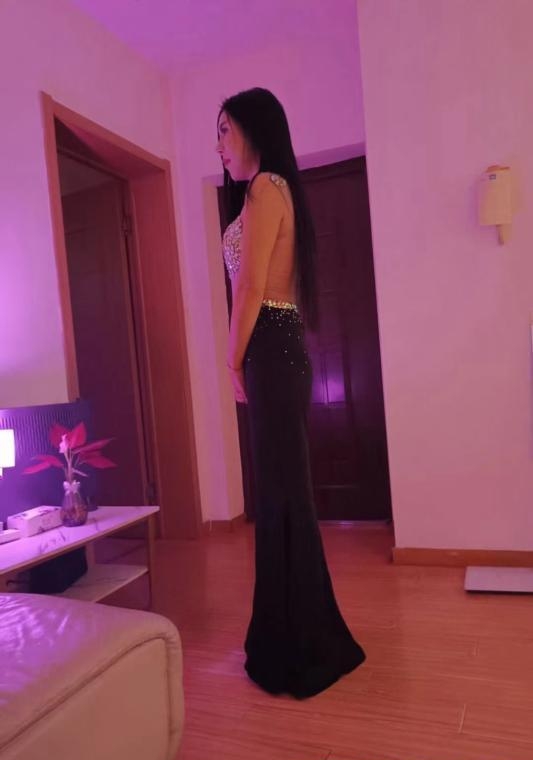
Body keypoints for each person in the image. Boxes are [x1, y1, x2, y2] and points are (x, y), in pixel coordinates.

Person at [217, 87, 365, 698]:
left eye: (224, 130)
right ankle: (289, 639)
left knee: (284, 498)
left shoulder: (264, 188)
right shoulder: (273, 190)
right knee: (280, 497)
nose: (219, 145)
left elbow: (251, 289)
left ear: (254, 128)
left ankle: (300, 647)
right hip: (277, 349)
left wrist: (231, 361)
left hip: (270, 349)